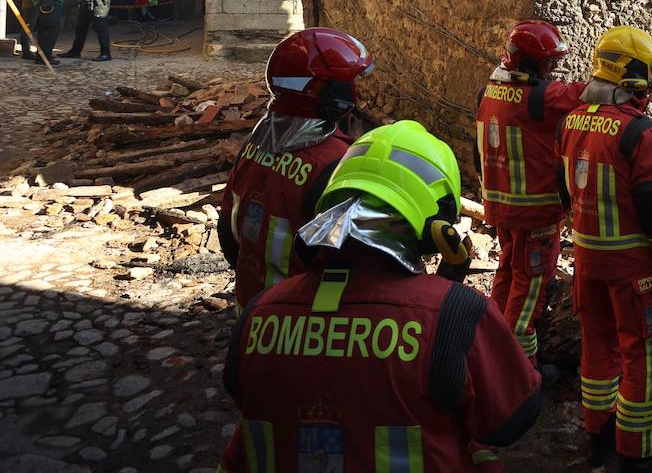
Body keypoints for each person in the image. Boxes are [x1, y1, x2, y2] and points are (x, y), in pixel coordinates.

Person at [217, 119, 542, 472]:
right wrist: (449, 294)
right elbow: (510, 420)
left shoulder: (259, 312)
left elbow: (242, 394)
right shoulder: (455, 314)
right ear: (436, 225)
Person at [556, 25, 652, 473]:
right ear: (629, 74)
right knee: (642, 356)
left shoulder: (572, 119)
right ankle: (638, 455)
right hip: (634, 269)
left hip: (587, 260)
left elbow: (563, 190)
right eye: (651, 72)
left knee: (597, 350)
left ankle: (599, 438)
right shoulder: (639, 132)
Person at [218, 28, 374, 308]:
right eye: (352, 83)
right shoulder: (334, 164)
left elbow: (228, 235)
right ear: (321, 90)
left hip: (250, 313)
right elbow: (351, 265)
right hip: (301, 325)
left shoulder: (254, 145)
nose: (358, 92)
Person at [476, 20, 584, 372]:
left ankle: (491, 352)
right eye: (547, 63)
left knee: (507, 277)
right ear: (526, 63)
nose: (552, 70)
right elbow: (591, 93)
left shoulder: (490, 91)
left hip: (501, 209)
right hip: (535, 215)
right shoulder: (539, 97)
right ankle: (518, 374)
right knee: (530, 290)